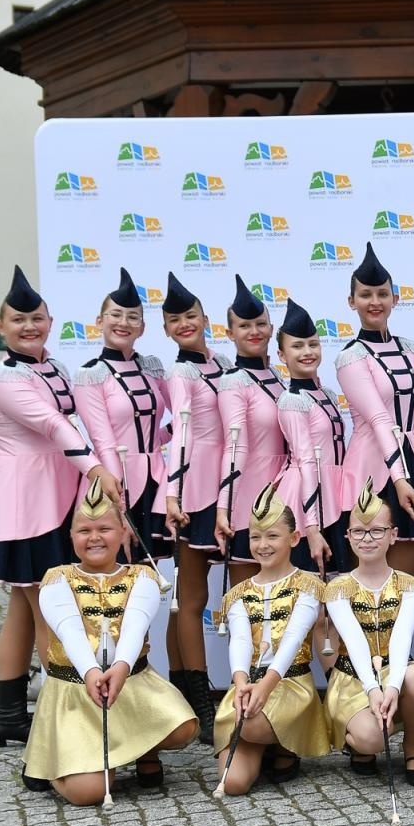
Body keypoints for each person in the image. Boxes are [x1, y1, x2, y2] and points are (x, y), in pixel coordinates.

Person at [0, 266, 122, 747]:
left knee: (23, 609)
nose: (29, 326)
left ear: (51, 320)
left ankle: (9, 715)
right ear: (0, 326)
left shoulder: (55, 367)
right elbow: (52, 425)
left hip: (57, 498)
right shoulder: (3, 378)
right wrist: (96, 469)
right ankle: (61, 717)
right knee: (50, 610)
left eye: (37, 318)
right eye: (18, 320)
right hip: (28, 504)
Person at [21, 479, 195, 803]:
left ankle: (138, 750)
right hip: (76, 692)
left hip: (131, 685)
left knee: (183, 726)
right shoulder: (56, 579)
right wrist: (90, 672)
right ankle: (50, 755)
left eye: (105, 528)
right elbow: (70, 631)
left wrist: (120, 668)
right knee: (88, 794)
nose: (95, 537)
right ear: (70, 536)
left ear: (124, 533)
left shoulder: (142, 577)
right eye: (84, 530)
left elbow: (133, 627)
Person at [212, 482, 331, 794]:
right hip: (248, 685)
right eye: (255, 536)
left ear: (294, 539)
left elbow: (292, 639)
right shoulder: (238, 593)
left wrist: (264, 688)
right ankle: (264, 745)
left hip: (288, 684)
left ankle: (283, 743)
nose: (262, 544)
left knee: (249, 724)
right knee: (234, 784)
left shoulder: (308, 585)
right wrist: (241, 685)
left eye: (272, 536)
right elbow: (239, 641)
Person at [337, 244, 414, 577]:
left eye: (382, 294)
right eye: (366, 294)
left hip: (412, 465)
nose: (375, 302)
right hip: (372, 471)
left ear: (395, 299)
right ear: (351, 302)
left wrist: (410, 458)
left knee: (404, 586)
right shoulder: (351, 356)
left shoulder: (412, 350)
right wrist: (399, 478)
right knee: (366, 591)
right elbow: (379, 418)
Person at [321, 479, 414, 786]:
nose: (367, 538)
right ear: (347, 537)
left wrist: (392, 687)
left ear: (393, 535)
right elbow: (356, 642)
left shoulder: (409, 586)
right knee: (371, 739)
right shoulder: (337, 588)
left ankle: (412, 748)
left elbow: (401, 640)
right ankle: (360, 745)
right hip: (353, 679)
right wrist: (374, 690)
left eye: (377, 530)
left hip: (396, 669)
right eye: (358, 531)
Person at [159, 273, 231, 742]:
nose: (184, 324)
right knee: (191, 597)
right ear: (165, 329)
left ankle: (184, 688)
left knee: (192, 599)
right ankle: (199, 698)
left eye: (190, 316)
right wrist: (172, 493)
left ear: (206, 320)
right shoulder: (181, 373)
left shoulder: (224, 362)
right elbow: (180, 433)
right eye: (173, 320)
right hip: (195, 487)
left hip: (232, 484)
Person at [73, 268, 170, 567]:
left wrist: (162, 440)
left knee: (146, 576)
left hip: (156, 480)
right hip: (115, 485)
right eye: (115, 315)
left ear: (142, 327)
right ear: (99, 322)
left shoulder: (152, 367)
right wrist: (120, 504)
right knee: (113, 571)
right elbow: (102, 440)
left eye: (133, 317)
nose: (123, 323)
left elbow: (180, 418)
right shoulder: (91, 374)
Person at [215, 276, 287, 583]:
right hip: (248, 500)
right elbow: (235, 446)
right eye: (244, 326)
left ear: (271, 329)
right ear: (230, 333)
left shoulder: (278, 376)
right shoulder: (233, 382)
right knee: (247, 603)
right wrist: (225, 507)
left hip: (284, 494)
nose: (254, 331)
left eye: (260, 324)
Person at [275, 298, 350, 577]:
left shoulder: (327, 394)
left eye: (313, 344)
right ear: (282, 355)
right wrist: (312, 528)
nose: (307, 352)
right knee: (309, 595)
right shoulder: (291, 400)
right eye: (297, 346)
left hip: (333, 495)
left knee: (336, 592)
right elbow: (306, 462)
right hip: (306, 502)